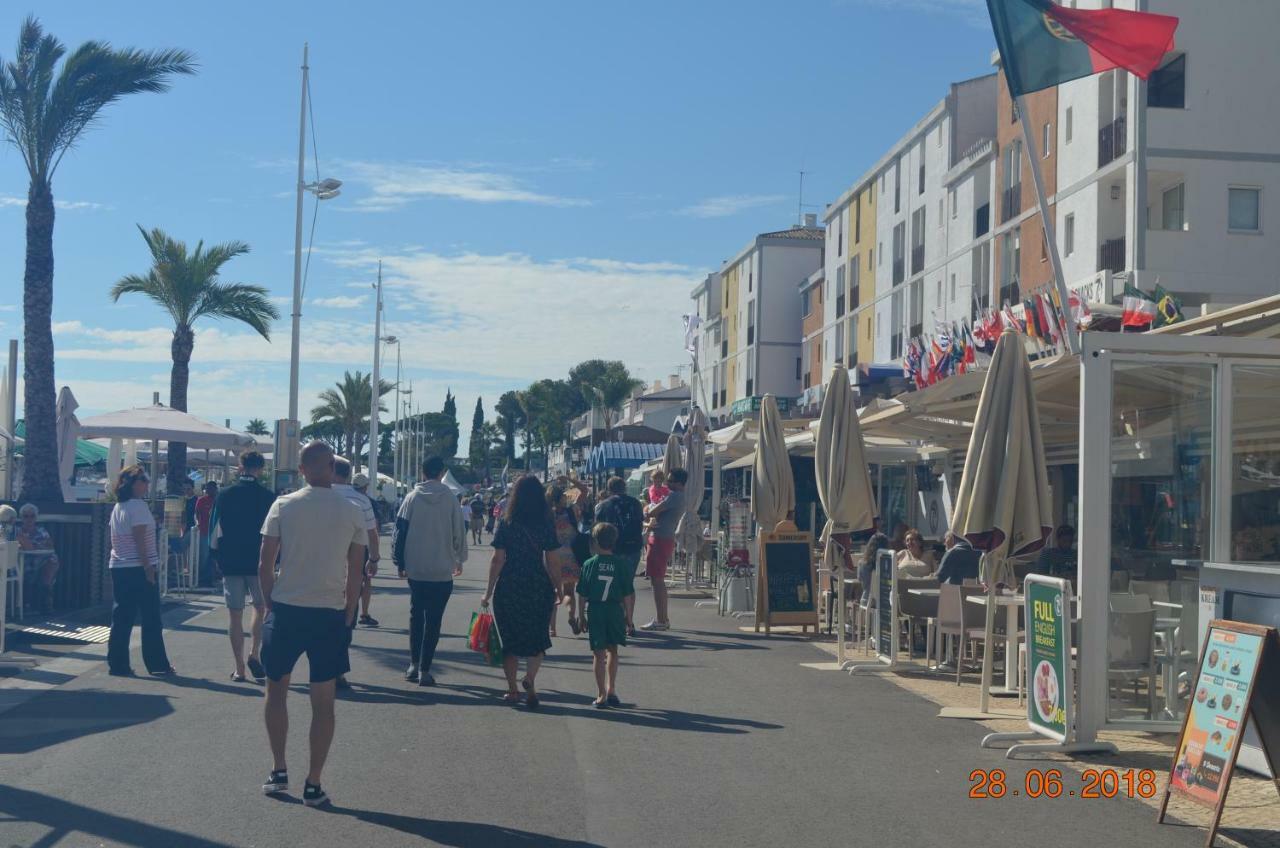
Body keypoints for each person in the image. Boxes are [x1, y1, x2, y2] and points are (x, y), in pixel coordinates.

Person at [258, 441, 367, 807]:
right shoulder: (353, 510)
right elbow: (357, 570)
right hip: (329, 613)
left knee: (276, 692)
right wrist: (350, 609)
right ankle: (313, 782)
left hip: (287, 609)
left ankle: (278, 768)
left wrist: (271, 602)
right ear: (333, 469)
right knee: (324, 703)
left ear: (302, 469)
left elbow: (265, 563)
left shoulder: (283, 506)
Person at [482, 475, 559, 708]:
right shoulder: (545, 523)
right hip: (537, 584)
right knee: (537, 636)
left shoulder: (507, 522)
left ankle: (513, 689)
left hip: (510, 585)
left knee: (510, 640)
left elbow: (498, 559)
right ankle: (530, 680)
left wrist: (488, 591)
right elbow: (552, 560)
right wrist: (558, 587)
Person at [395, 456, 467, 686]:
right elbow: (459, 531)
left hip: (416, 567)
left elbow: (400, 531)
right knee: (434, 620)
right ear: (442, 472)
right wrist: (459, 559)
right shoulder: (450, 499)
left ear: (422, 472)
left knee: (416, 615)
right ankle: (425, 670)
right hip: (442, 568)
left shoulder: (412, 497)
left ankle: (413, 664)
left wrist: (400, 562)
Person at [210, 450, 276, 683]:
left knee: (235, 614)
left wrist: (215, 556)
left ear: (240, 466)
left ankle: (239, 668)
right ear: (261, 469)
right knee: (261, 608)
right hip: (259, 561)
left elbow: (214, 530)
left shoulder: (224, 494)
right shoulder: (269, 496)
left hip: (231, 560)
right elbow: (274, 533)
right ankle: (254, 653)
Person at [106, 465, 176, 677]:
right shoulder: (138, 506)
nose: (147, 483)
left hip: (119, 565)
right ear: (133, 484)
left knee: (122, 617)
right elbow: (139, 538)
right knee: (151, 617)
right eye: (143, 480)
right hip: (138, 566)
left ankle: (117, 664)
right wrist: (148, 567)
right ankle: (157, 665)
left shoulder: (120, 507)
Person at [578, 522, 635, 708]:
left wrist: (581, 615)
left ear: (594, 541)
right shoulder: (621, 564)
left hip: (596, 610)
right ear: (614, 541)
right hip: (614, 610)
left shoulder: (589, 564)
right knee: (613, 650)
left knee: (598, 653)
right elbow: (627, 593)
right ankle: (612, 689)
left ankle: (601, 693)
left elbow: (582, 593)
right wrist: (629, 617)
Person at [592, 476, 644, 636]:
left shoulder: (603, 505)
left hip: (611, 549)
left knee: (611, 585)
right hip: (633, 547)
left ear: (609, 489)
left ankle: (613, 621)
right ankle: (629, 621)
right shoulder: (636, 503)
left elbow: (597, 531)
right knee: (627, 585)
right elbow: (640, 523)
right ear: (625, 488)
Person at [335, 462, 381, 629]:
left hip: (328, 552)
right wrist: (374, 558)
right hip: (359, 547)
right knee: (359, 580)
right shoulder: (364, 500)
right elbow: (373, 530)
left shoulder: (321, 493)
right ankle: (357, 613)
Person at [641, 467, 687, 631]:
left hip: (660, 537)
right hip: (664, 537)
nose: (666, 483)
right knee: (657, 579)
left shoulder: (674, 496)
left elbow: (651, 512)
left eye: (670, 481)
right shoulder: (678, 497)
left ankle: (661, 619)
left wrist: (648, 509)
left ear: (679, 483)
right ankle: (662, 617)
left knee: (657, 580)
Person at [547, 483, 585, 637]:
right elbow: (584, 491)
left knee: (552, 592)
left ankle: (552, 629)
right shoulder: (572, 511)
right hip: (571, 555)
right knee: (569, 591)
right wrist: (569, 479)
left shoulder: (547, 514)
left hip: (552, 555)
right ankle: (571, 616)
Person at [16, 504, 60, 615]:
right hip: (24, 561)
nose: (29, 519)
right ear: (21, 518)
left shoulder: (42, 530)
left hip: (42, 560)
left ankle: (43, 604)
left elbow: (50, 546)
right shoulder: (18, 532)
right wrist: (37, 546)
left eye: (32, 516)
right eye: (26, 516)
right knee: (33, 570)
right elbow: (28, 548)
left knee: (52, 561)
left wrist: (34, 546)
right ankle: (43, 604)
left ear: (36, 517)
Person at [858, 532, 890, 601]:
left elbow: (860, 579)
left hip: (866, 599)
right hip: (883, 601)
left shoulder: (862, 563)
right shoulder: (888, 565)